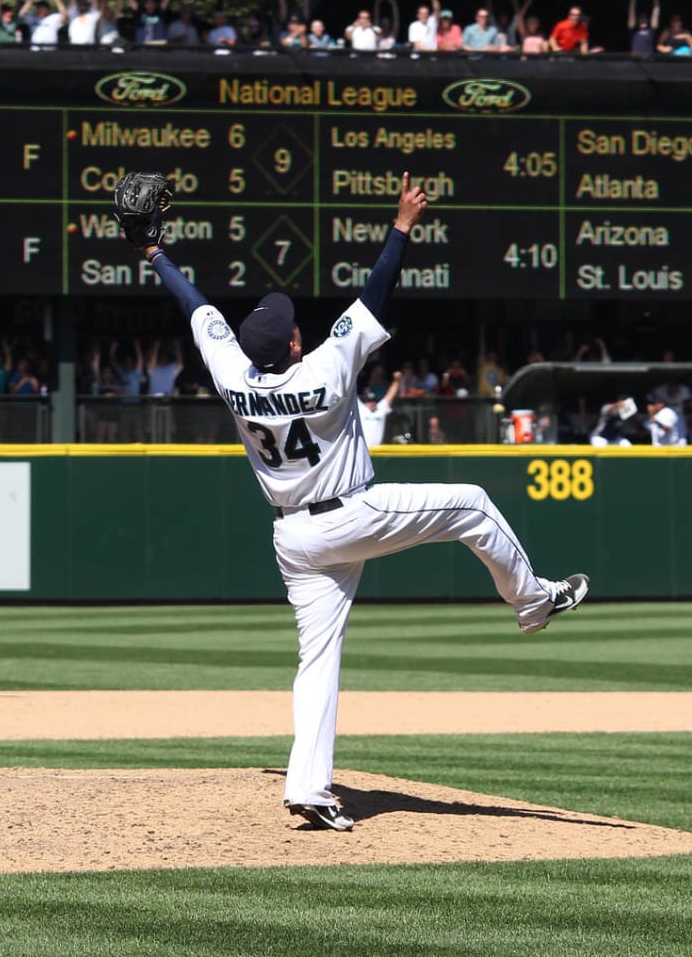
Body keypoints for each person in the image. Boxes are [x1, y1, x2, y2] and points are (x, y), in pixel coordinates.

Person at [128, 170, 589, 830]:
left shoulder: (233, 376)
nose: (296, 331)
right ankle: (533, 602)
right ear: (291, 344)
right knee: (474, 503)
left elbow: (195, 308)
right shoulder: (324, 369)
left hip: (294, 539)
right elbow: (376, 293)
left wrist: (153, 254)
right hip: (350, 513)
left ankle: (309, 786)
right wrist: (401, 225)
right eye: (291, 329)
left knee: (318, 659)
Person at [358, 370, 400, 448]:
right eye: (369, 401)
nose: (372, 403)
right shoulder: (361, 409)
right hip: (363, 449)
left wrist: (396, 381)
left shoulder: (380, 408)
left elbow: (390, 395)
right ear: (365, 402)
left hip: (378, 450)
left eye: (374, 400)